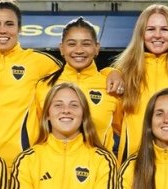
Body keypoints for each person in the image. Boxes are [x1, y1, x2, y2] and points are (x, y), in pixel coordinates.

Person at [0, 0, 62, 166]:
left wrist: (110, 73)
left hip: (23, 166)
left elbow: (81, 76)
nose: (3, 30)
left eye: (9, 24)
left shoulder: (42, 63)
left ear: (19, 28)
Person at [107, 3, 168, 162]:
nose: (157, 35)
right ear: (140, 33)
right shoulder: (123, 71)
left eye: (165, 29)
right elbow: (116, 122)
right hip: (135, 161)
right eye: (150, 29)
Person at [43, 17, 119, 154]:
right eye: (72, 44)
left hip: (101, 172)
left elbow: (124, 129)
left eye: (86, 44)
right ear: (61, 48)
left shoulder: (111, 86)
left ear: (97, 48)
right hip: (53, 172)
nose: (79, 50)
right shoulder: (44, 86)